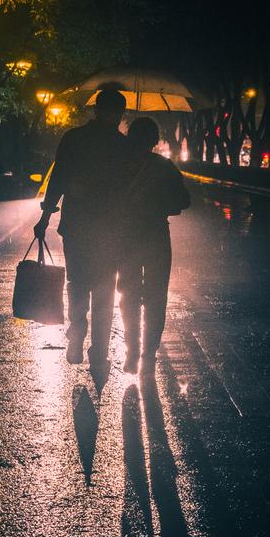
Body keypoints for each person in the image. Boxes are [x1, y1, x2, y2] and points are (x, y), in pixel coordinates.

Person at [34, 88, 129, 370]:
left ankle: (77, 334)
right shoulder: (123, 146)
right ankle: (98, 347)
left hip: (77, 226)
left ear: (96, 109)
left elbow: (58, 179)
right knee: (104, 287)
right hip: (110, 229)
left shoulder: (74, 138)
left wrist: (45, 217)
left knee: (77, 283)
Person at [117, 117, 190, 375]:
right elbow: (183, 200)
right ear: (155, 140)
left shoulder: (118, 167)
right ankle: (149, 349)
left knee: (128, 293)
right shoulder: (164, 166)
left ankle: (131, 349)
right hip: (157, 235)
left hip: (126, 237)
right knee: (156, 294)